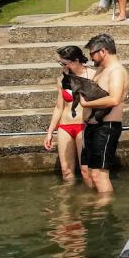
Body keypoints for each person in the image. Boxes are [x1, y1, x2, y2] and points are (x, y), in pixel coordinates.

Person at [79, 34, 127, 195]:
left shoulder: (117, 71)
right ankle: (95, 205)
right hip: (91, 127)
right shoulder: (101, 70)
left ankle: (104, 213)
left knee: (99, 175)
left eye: (92, 54)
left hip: (106, 127)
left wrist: (86, 104)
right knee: (87, 172)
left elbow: (114, 99)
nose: (91, 58)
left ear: (103, 51)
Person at [44, 46, 93, 184]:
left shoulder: (93, 76)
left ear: (76, 60)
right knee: (66, 171)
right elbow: (59, 107)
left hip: (83, 125)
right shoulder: (61, 79)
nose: (62, 66)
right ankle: (66, 203)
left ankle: (92, 201)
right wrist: (49, 132)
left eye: (64, 63)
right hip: (65, 126)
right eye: (60, 63)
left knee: (86, 172)